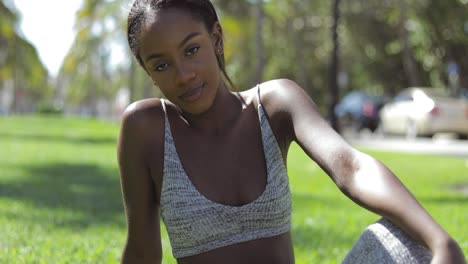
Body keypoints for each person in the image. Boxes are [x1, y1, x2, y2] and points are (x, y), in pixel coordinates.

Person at [117, 0, 466, 263]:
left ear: (216, 39)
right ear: (149, 72)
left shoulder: (273, 104)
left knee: (406, 239)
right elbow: (142, 252)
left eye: (192, 50)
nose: (183, 75)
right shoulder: (146, 128)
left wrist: (441, 243)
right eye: (161, 65)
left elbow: (351, 166)